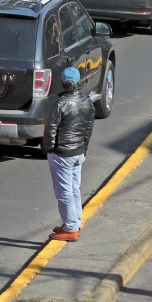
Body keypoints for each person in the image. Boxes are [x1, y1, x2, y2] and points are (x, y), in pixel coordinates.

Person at [44, 66, 93, 241]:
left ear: (63, 82)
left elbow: (51, 129)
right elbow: (88, 129)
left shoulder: (60, 103)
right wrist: (84, 149)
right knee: (74, 189)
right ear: (79, 81)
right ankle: (74, 222)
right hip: (78, 152)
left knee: (64, 192)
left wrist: (49, 149)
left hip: (62, 153)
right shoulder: (87, 101)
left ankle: (71, 227)